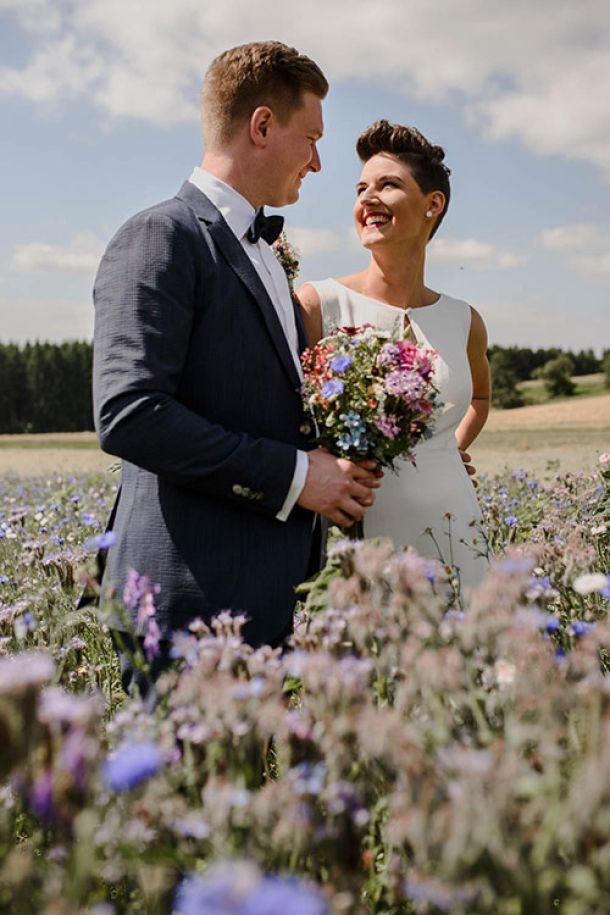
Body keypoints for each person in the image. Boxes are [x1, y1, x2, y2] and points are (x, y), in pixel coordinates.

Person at [92, 42, 382, 691]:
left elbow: (254, 401)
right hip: (188, 600)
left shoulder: (266, 254)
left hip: (268, 593)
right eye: (310, 137)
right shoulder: (161, 236)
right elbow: (130, 413)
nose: (317, 160)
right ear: (260, 126)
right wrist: (295, 475)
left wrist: (340, 454)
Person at [297, 120, 491, 591]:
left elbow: (479, 399)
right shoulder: (315, 305)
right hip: (360, 531)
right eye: (361, 187)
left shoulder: (465, 320)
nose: (367, 199)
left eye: (388, 184)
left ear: (433, 204)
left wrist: (448, 446)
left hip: (454, 530)